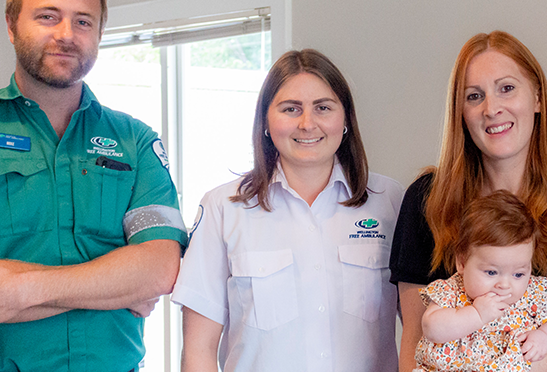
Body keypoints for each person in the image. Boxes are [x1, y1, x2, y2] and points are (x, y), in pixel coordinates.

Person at [0, 0, 187, 371]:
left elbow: (160, 269)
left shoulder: (136, 141)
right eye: (47, 16)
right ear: (11, 25)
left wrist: (16, 292)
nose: (67, 34)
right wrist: (115, 285)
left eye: (83, 21)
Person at [172, 49, 404, 371]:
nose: (307, 124)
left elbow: (422, 328)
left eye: (323, 107)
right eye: (291, 109)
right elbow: (199, 350)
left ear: (346, 119)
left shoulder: (390, 201)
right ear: (266, 121)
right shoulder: (223, 209)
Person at [390, 30, 547, 372]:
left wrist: (500, 368)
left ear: (537, 98)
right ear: (460, 112)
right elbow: (414, 345)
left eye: (506, 88)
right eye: (474, 96)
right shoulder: (426, 201)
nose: (491, 108)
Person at [415, 190, 547, 372]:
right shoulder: (452, 292)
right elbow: (431, 328)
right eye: (491, 272)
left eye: (518, 274)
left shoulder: (532, 293)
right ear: (461, 262)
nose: (505, 285)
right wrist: (477, 314)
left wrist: (546, 336)